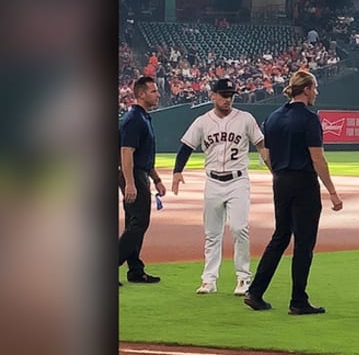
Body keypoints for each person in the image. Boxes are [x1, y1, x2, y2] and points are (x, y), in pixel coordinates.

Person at [244, 70, 343, 315]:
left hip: (281, 181)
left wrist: (277, 172)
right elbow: (317, 158)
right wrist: (332, 191)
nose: (316, 92)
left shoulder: (274, 117)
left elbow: (265, 154)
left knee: (280, 236)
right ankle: (298, 300)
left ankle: (255, 291)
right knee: (304, 241)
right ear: (307, 89)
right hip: (303, 182)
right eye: (314, 88)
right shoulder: (309, 119)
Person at [171, 78, 269, 296]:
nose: (228, 99)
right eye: (224, 95)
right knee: (212, 234)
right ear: (212, 95)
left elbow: (261, 144)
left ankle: (243, 278)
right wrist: (177, 172)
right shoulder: (202, 122)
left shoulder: (245, 119)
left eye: (231, 95)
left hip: (238, 181)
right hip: (213, 181)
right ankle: (209, 280)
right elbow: (186, 147)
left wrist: (273, 169)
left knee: (239, 228)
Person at [119, 76, 165, 285]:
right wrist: (130, 182)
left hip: (140, 173)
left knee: (133, 222)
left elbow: (144, 154)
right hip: (133, 174)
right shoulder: (134, 119)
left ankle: (135, 270)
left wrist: (156, 179)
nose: (157, 94)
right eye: (153, 91)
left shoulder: (144, 117)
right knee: (139, 222)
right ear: (141, 94)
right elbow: (127, 152)